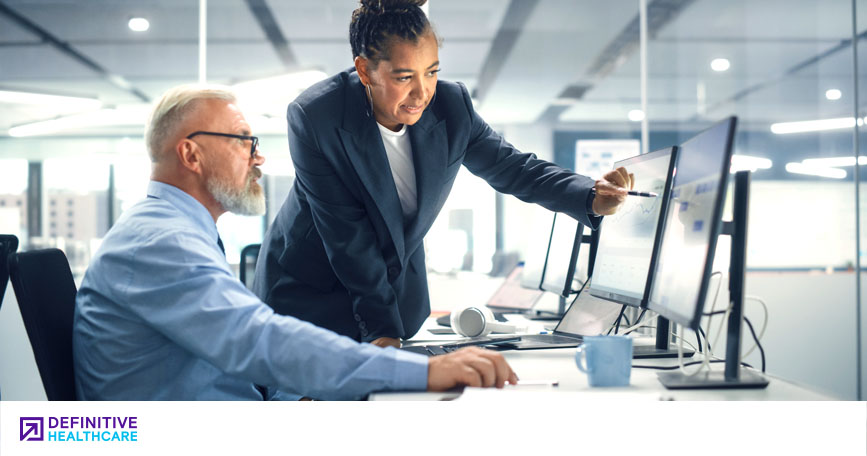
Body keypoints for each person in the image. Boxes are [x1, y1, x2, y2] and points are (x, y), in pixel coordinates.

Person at [72, 84, 517, 400]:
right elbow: (256, 341)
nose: (257, 155)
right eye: (243, 141)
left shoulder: (175, 229)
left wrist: (296, 399)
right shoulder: (159, 242)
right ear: (190, 153)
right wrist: (421, 371)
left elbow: (233, 359)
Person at [253, 0, 634, 349]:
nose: (423, 93)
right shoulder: (317, 117)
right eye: (404, 77)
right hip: (309, 295)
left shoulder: (451, 106)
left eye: (432, 72)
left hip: (390, 299)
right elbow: (347, 238)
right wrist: (383, 333)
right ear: (365, 70)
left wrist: (589, 195)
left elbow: (512, 167)